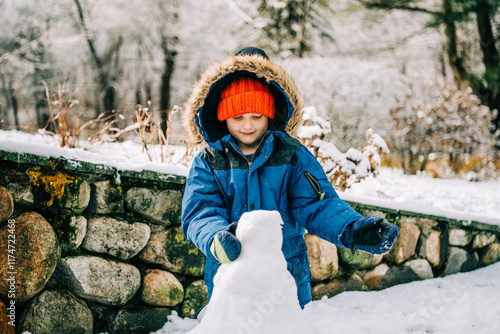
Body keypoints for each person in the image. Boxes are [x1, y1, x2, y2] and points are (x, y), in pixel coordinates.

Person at [181, 46, 398, 308]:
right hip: (231, 276)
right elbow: (200, 211)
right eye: (238, 117)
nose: (248, 125)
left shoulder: (292, 155)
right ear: (222, 115)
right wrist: (217, 239)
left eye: (257, 116)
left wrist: (353, 229)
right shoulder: (209, 161)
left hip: (286, 275)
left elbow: (317, 204)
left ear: (271, 113)